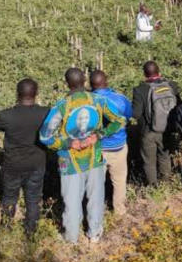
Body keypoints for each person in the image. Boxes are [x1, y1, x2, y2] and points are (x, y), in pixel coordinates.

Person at [40, 68, 126, 244]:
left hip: (70, 161)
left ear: (67, 83)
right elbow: (120, 120)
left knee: (71, 200)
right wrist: (99, 135)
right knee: (95, 197)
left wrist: (67, 143)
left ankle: (71, 238)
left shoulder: (61, 107)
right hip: (94, 157)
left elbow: (45, 136)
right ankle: (94, 234)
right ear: (85, 81)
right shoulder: (98, 100)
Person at [0, 79, 49, 235]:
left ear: (17, 93)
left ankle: (6, 230)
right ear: (36, 93)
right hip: (36, 164)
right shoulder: (45, 113)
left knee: (9, 197)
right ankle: (31, 233)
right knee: (33, 199)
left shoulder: (6, 115)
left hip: (12, 165)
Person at [90, 70, 133, 217]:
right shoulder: (120, 98)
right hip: (118, 147)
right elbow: (128, 115)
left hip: (96, 148)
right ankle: (119, 211)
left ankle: (96, 213)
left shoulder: (87, 101)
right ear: (106, 82)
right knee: (119, 181)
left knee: (96, 183)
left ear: (91, 85)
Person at [132, 61, 181, 186]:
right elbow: (179, 106)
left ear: (144, 74)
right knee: (165, 156)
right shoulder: (172, 86)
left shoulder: (140, 89)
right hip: (167, 130)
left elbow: (136, 114)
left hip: (148, 132)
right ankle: (165, 184)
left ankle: (153, 187)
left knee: (149, 162)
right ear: (159, 71)